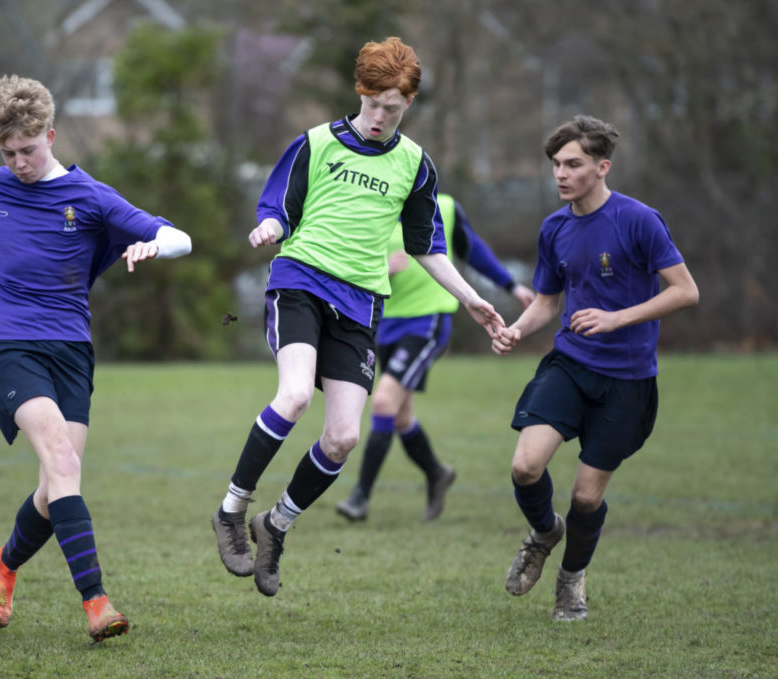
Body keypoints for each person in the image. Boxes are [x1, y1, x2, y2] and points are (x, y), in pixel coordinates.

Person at [210, 37, 504, 597]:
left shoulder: (415, 165)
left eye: (391, 109)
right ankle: (230, 511)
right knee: (294, 396)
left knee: (343, 437)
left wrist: (471, 298)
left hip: (360, 302)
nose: (379, 118)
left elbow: (427, 245)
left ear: (408, 104)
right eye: (372, 105)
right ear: (360, 93)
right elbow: (278, 203)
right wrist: (272, 226)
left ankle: (274, 527)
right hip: (300, 280)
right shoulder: (316, 143)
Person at [0, 74, 191, 641]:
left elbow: (180, 238)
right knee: (60, 459)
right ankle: (96, 602)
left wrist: (154, 242)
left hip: (71, 351)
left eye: (28, 150)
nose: (18, 163)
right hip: (7, 344)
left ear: (51, 135)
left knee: (58, 480)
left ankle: (3, 564)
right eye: (8, 153)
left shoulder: (90, 198)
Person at [492, 115, 698, 621]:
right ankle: (544, 533)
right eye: (556, 165)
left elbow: (686, 291)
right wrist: (519, 329)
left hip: (626, 380)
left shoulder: (639, 220)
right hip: (570, 364)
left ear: (602, 167)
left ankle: (571, 580)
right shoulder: (554, 228)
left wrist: (617, 318)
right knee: (524, 465)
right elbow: (547, 301)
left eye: (573, 164)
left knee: (586, 497)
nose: (560, 174)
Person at [335, 194, 535, 522]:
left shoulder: (444, 207)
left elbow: (471, 249)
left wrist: (510, 285)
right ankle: (437, 472)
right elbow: (343, 264)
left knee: (384, 401)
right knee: (399, 417)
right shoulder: (365, 204)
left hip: (428, 320)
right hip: (384, 324)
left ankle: (360, 497)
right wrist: (380, 269)